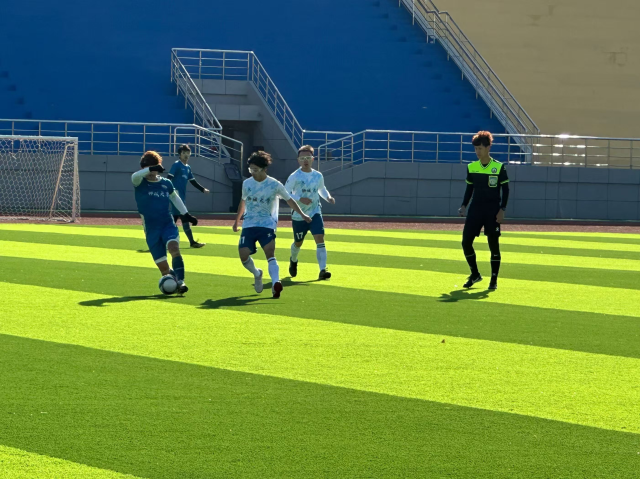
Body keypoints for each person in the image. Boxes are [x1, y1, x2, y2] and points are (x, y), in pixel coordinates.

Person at [232, 151, 311, 298]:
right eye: (250, 169)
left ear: (264, 169)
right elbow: (243, 201)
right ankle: (257, 273)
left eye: (255, 169)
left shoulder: (275, 184)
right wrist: (237, 221)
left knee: (270, 253)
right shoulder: (247, 183)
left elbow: (289, 200)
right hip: (249, 224)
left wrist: (302, 214)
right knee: (243, 255)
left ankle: (276, 283)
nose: (252, 172)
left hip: (267, 224)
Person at [132, 151, 198, 294]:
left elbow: (175, 198)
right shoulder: (139, 182)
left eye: (154, 168)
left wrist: (186, 215)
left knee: (174, 248)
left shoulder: (166, 183)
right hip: (151, 230)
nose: (151, 172)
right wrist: (151, 168)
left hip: (167, 224)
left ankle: (181, 282)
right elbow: (134, 175)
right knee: (164, 270)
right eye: (148, 169)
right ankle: (174, 279)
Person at [458, 131, 509, 290]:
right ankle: (475, 274)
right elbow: (469, 189)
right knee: (466, 242)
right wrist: (464, 205)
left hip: (492, 210)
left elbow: (506, 190)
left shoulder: (499, 167)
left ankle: (493, 280)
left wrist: (502, 209)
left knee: (493, 245)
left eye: (480, 148)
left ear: (488, 148)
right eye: (476, 149)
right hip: (475, 209)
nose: (477, 151)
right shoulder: (472, 167)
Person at [284, 145, 336, 280]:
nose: (305, 160)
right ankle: (293, 260)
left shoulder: (318, 175)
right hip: (299, 214)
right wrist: (300, 198)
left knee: (320, 238)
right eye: (302, 158)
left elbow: (321, 189)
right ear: (298, 160)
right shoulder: (294, 176)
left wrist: (328, 197)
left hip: (315, 211)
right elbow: (285, 193)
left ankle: (323, 269)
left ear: (313, 159)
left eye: (308, 157)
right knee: (298, 242)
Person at [167, 144, 210, 248]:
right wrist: (169, 191)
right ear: (180, 154)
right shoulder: (176, 165)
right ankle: (191, 242)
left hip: (182, 197)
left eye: (188, 153)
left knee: (176, 219)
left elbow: (193, 181)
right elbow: (168, 178)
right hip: (176, 196)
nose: (186, 155)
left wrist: (202, 189)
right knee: (183, 217)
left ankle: (164, 241)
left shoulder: (187, 167)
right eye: (184, 153)